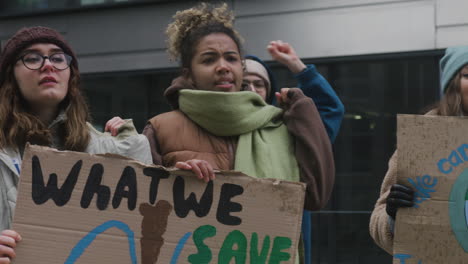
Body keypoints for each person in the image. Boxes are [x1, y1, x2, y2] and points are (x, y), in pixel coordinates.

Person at [142, 3, 335, 263]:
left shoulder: (279, 125)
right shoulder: (161, 128)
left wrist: (304, 114)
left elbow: (316, 196)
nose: (223, 66)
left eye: (231, 58)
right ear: (189, 74)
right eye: (209, 59)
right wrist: (174, 179)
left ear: (241, 68)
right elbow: (139, 215)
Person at [0, 26, 152, 263]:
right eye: (32, 58)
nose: (48, 65)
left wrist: (187, 178)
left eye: (58, 58)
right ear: (11, 76)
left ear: (70, 75)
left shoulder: (108, 149)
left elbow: (147, 221)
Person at [243, 41, 344, 264]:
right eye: (243, 84)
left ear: (270, 91)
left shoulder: (290, 130)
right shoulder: (213, 129)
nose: (251, 90)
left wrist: (296, 65)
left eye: (259, 84)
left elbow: (330, 109)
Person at [369, 46, 468, 254]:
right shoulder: (425, 139)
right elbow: (378, 224)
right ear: (453, 85)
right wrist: (394, 216)